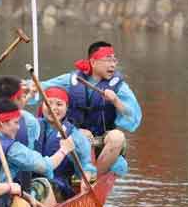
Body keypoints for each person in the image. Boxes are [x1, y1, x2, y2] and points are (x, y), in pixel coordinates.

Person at [36, 41, 142, 175]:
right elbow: (42, 87)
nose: (113, 65)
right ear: (93, 61)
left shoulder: (120, 87)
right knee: (80, 136)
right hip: (74, 137)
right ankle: (76, 174)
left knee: (118, 137)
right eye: (108, 60)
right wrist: (30, 87)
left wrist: (116, 101)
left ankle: (93, 177)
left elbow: (133, 119)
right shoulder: (72, 80)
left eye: (114, 60)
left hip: (101, 142)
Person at [0, 99, 74, 207]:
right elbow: (46, 166)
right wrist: (64, 150)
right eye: (16, 122)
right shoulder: (13, 149)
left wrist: (26, 196)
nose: (19, 127)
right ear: (3, 123)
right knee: (43, 183)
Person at [33, 87, 96, 204]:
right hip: (30, 182)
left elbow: (86, 165)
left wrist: (85, 181)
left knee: (40, 187)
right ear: (42, 106)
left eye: (59, 104)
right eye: (48, 103)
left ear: (67, 108)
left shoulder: (74, 135)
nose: (53, 108)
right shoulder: (32, 125)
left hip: (58, 186)